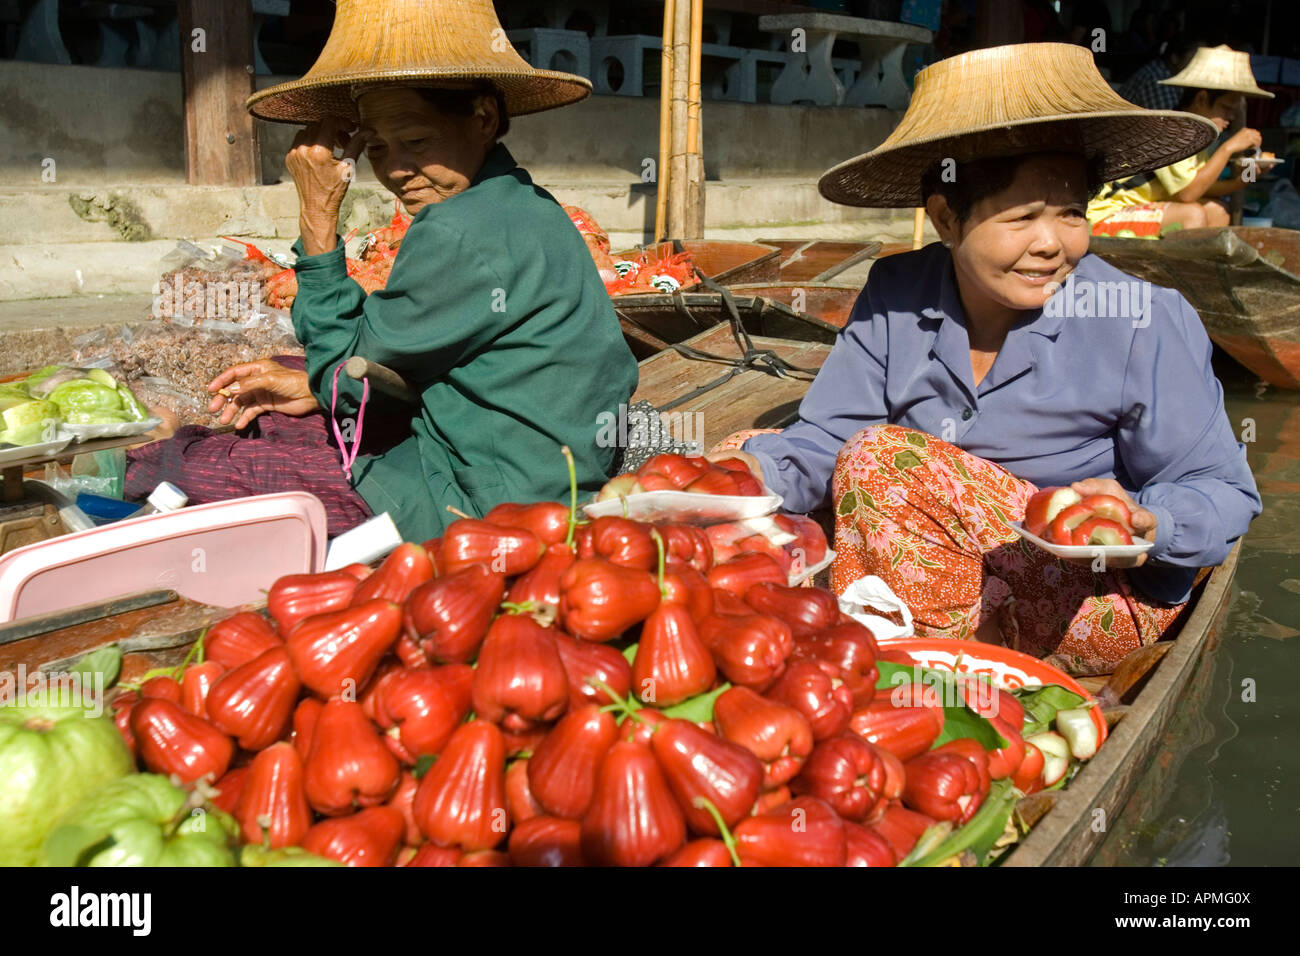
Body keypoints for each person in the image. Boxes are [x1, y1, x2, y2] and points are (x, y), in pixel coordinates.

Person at [711, 43, 1260, 676]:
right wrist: (732, 476)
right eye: (1024, 217)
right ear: (946, 217)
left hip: (1095, 597)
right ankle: (914, 630)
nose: (1053, 244)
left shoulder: (1142, 319)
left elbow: (1221, 491)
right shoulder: (896, 293)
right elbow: (823, 440)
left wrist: (1148, 522)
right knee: (747, 453)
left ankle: (931, 681)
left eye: (1072, 215)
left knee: (882, 459)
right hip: (922, 549)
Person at [126, 0, 638, 542]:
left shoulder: (457, 230)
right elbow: (420, 363)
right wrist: (317, 382)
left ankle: (156, 452)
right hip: (544, 469)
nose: (395, 170)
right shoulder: (521, 202)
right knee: (283, 395)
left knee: (191, 463)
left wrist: (318, 217)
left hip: (484, 506)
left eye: (416, 142)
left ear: (484, 118)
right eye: (375, 147)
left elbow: (346, 380)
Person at [1089, 45, 1271, 238]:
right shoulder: (1167, 130)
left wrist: (1243, 180)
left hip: (1139, 208)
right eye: (1225, 108)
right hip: (1104, 216)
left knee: (1218, 211)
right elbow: (1187, 194)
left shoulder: (1196, 133)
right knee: (1192, 215)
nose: (1230, 118)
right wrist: (1228, 148)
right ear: (1201, 98)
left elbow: (1201, 186)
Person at [1118, 34, 1203, 111]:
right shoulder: (1157, 78)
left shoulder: (1170, 76)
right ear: (1175, 58)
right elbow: (1169, 123)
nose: (1200, 66)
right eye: (1195, 59)